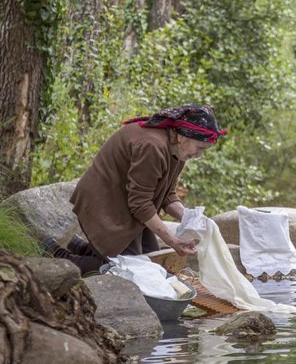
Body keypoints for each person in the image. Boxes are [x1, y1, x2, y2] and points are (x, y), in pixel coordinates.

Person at [43, 103, 226, 275]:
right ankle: (58, 255)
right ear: (183, 135)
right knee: (130, 270)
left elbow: (168, 195)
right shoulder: (153, 146)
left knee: (151, 262)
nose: (199, 155)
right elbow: (140, 203)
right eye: (199, 147)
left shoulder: (177, 150)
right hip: (104, 204)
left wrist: (191, 219)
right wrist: (172, 240)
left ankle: (81, 247)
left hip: (125, 205)